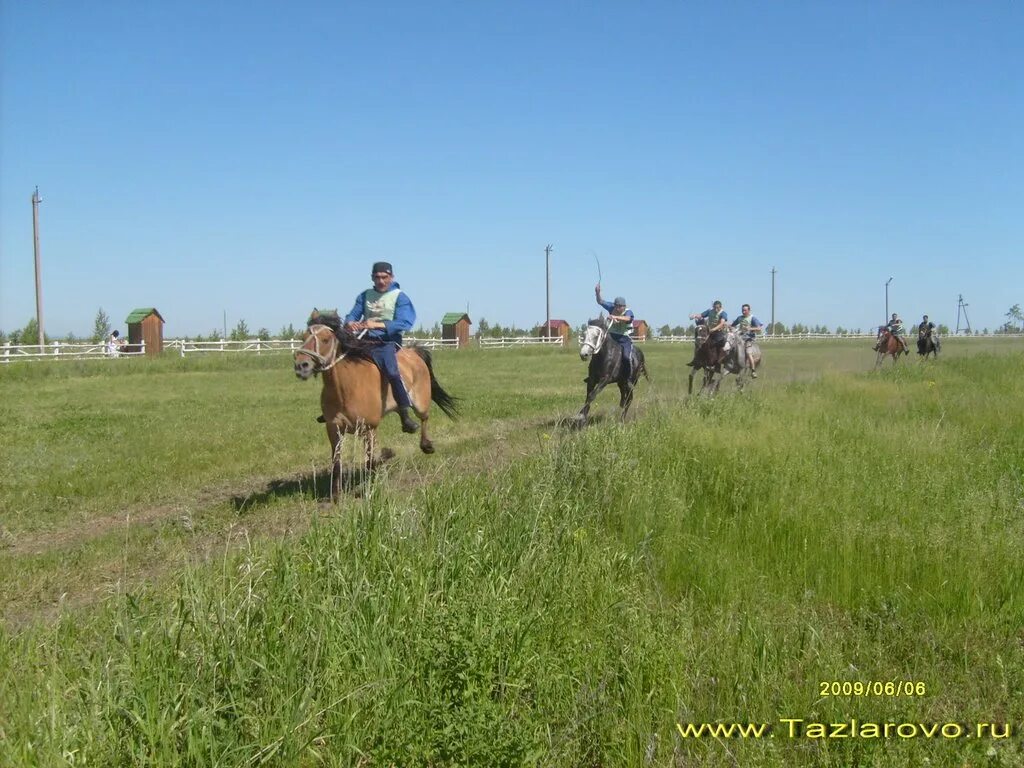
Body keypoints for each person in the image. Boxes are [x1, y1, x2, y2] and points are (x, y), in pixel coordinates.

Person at [342, 261, 420, 433]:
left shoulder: (400, 297)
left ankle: (405, 415)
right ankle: (335, 407)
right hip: (364, 340)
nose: (381, 281)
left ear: (391, 277)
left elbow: (405, 322)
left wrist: (377, 325)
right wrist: (350, 323)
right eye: (377, 277)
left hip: (388, 342)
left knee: (392, 371)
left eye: (384, 277)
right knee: (340, 363)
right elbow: (353, 313)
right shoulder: (365, 296)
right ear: (372, 278)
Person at [594, 284, 635, 380]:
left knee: (626, 357)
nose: (617, 308)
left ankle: (628, 377)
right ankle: (593, 374)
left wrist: (615, 317)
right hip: (611, 336)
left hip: (623, 338)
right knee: (596, 351)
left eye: (619, 306)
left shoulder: (628, 312)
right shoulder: (611, 307)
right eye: (616, 306)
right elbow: (600, 301)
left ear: (624, 306)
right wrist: (597, 292)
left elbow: (627, 318)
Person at [731, 303, 763, 377]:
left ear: (749, 310)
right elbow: (733, 325)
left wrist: (750, 328)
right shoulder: (739, 318)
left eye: (745, 310)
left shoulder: (753, 318)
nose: (743, 312)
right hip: (740, 337)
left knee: (748, 352)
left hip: (749, 338)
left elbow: (759, 328)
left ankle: (753, 371)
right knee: (729, 345)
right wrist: (729, 326)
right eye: (742, 310)